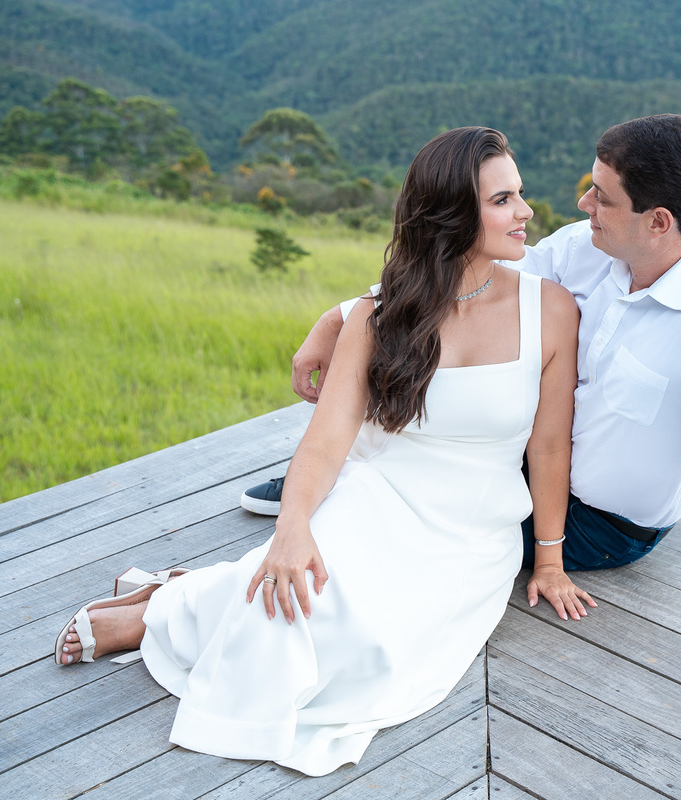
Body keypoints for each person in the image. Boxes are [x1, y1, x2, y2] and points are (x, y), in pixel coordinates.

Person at [246, 114, 681, 678]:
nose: (582, 203)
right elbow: (466, 277)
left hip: (599, 524)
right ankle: (339, 488)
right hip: (527, 463)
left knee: (405, 538)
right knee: (385, 471)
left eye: (601, 196)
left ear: (658, 223)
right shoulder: (591, 247)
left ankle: (341, 497)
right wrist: (342, 318)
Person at [53, 126, 593, 777]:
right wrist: (292, 525)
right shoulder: (379, 315)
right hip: (376, 497)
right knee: (292, 599)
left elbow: (550, 447)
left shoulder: (552, 309)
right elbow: (327, 439)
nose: (526, 212)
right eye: (503, 199)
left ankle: (182, 595)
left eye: (520, 195)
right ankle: (164, 612)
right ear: (452, 213)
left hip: (472, 534)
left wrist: (550, 561)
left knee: (378, 649)